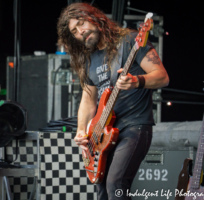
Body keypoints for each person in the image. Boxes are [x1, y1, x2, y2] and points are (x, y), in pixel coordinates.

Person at [57, 2, 169, 200]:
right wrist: (81, 131)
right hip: (102, 134)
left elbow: (162, 76)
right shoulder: (89, 59)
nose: (81, 31)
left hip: (134, 126)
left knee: (115, 183)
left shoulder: (130, 41)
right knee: (101, 190)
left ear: (94, 18)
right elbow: (88, 99)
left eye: (81, 23)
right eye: (74, 31)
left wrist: (137, 81)